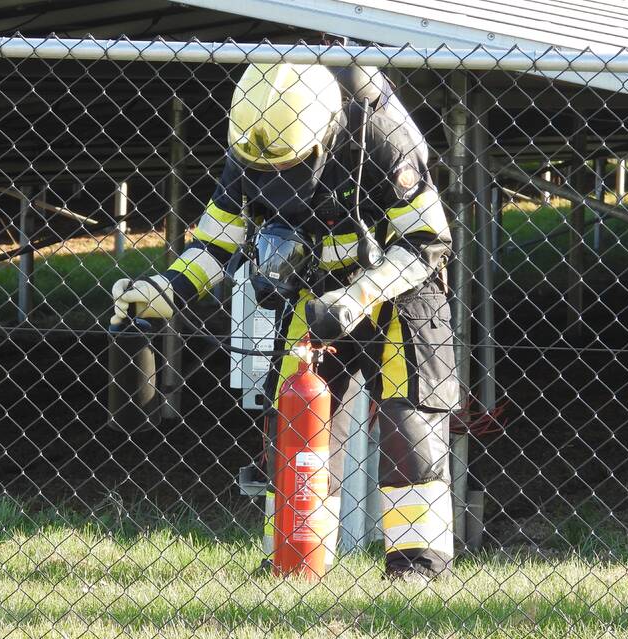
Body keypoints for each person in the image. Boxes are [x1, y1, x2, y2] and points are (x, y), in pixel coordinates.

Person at [111, 62, 458, 581]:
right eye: (263, 172)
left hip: (398, 291)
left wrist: (362, 293)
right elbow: (216, 241)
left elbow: (428, 241)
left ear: (325, 134)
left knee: (410, 430)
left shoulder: (382, 135)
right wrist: (168, 290)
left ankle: (418, 568)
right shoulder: (250, 146)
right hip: (314, 291)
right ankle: (297, 557)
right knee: (294, 423)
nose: (276, 182)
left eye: (291, 167)